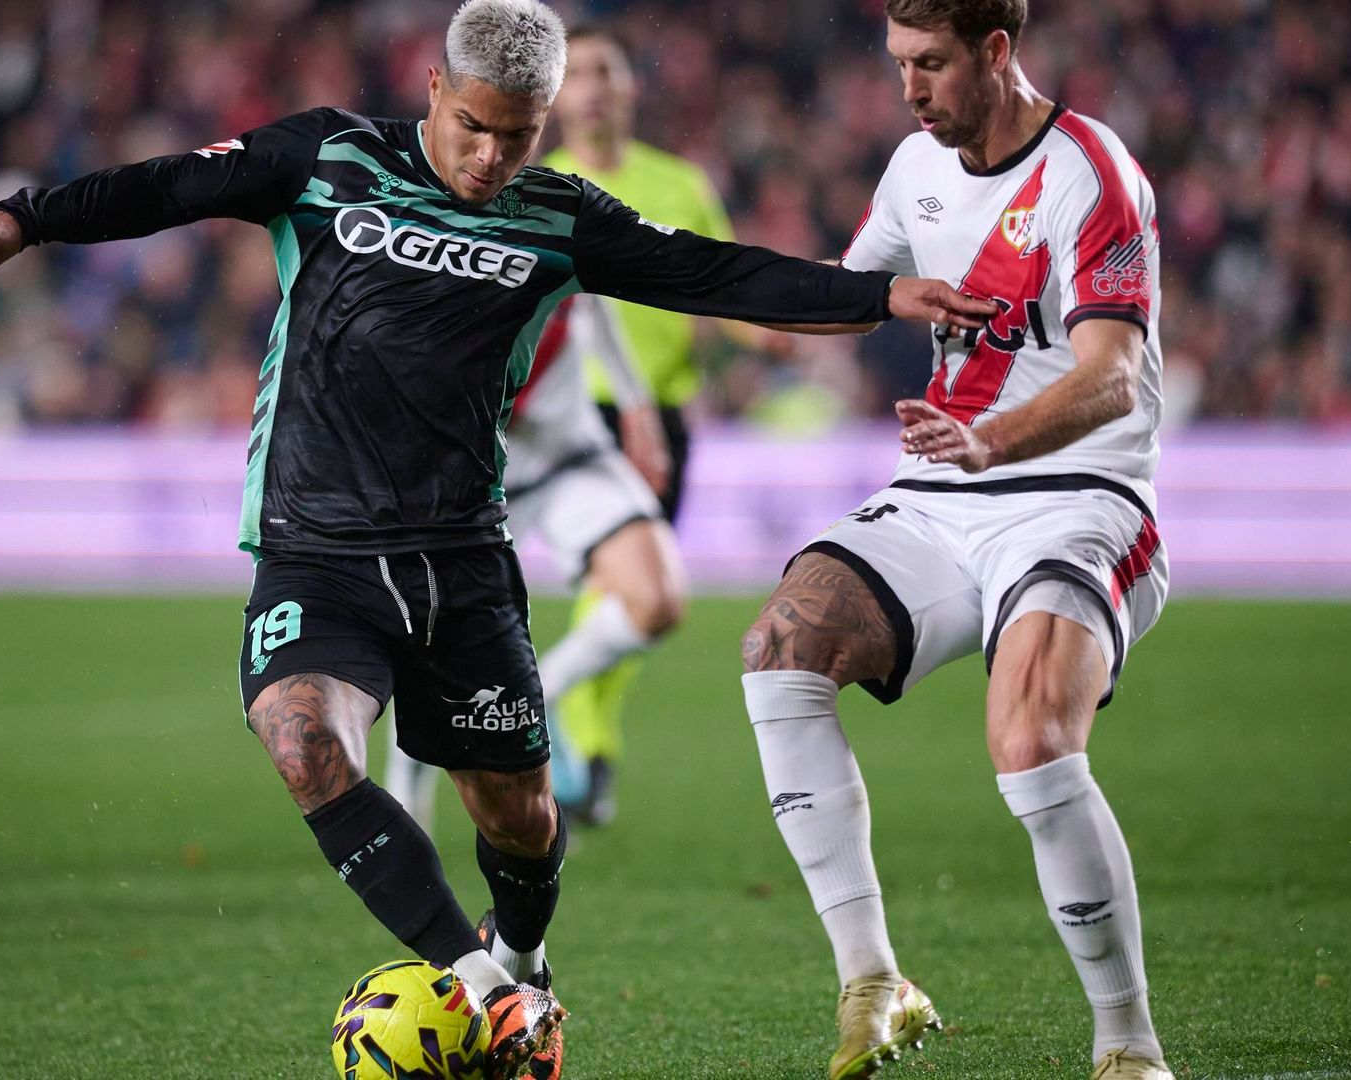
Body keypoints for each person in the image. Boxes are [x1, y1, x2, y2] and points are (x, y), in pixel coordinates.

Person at [0, 1, 996, 1076]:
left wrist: (878, 295)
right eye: (474, 126)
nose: (491, 156)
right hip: (315, 545)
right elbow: (170, 185)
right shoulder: (326, 157)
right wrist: (29, 216)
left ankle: (524, 958)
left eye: (518, 135)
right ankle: (482, 984)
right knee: (302, 738)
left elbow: (715, 274)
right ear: (435, 89)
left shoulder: (558, 216)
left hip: (461, 564)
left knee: (519, 817)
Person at [737, 2, 1174, 1078]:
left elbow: (1112, 376)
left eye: (930, 64)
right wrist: (697, 283)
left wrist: (990, 441)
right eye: (897, 64)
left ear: (996, 50)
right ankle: (874, 980)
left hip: (1079, 496)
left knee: (1026, 741)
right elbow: (850, 296)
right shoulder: (911, 167)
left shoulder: (1091, 172)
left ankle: (1129, 1050)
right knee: (780, 648)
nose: (909, 88)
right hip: (942, 497)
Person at [536, 23, 775, 823]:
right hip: (577, 418)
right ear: (557, 94)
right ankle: (581, 740)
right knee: (617, 583)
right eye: (581, 74)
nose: (596, 88)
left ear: (634, 87)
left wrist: (774, 324)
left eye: (609, 71)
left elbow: (724, 282)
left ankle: (576, 731)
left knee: (636, 604)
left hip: (661, 415)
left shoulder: (679, 184)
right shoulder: (539, 187)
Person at [382, 291, 681, 833]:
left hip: (572, 455)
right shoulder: (431, 236)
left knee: (656, 601)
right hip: (471, 472)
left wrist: (637, 406)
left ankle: (535, 695)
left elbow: (592, 289)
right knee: (428, 634)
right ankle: (406, 793)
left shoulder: (554, 213)